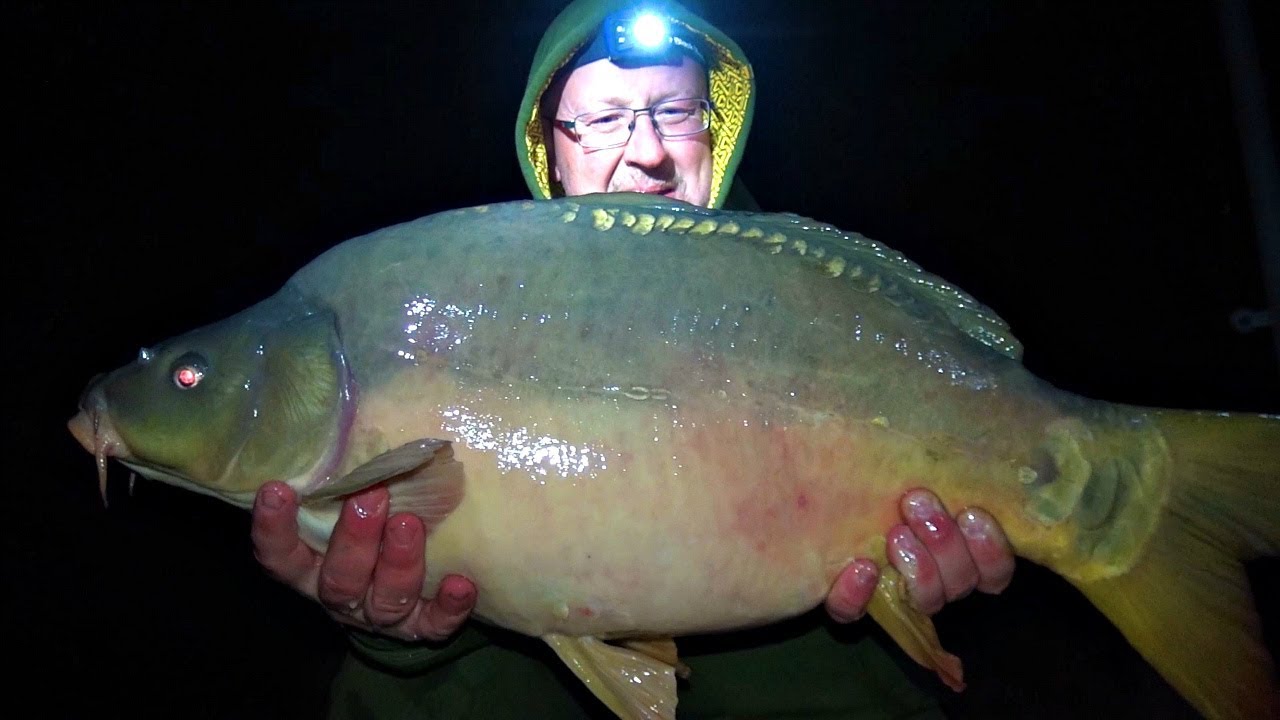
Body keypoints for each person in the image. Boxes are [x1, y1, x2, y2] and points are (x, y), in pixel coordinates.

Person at [250, 1, 1017, 717]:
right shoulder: (464, 318)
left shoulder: (833, 306)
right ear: (547, 148)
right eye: (605, 120)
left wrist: (937, 560)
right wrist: (397, 631)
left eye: (675, 112)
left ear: (718, 130)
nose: (646, 152)